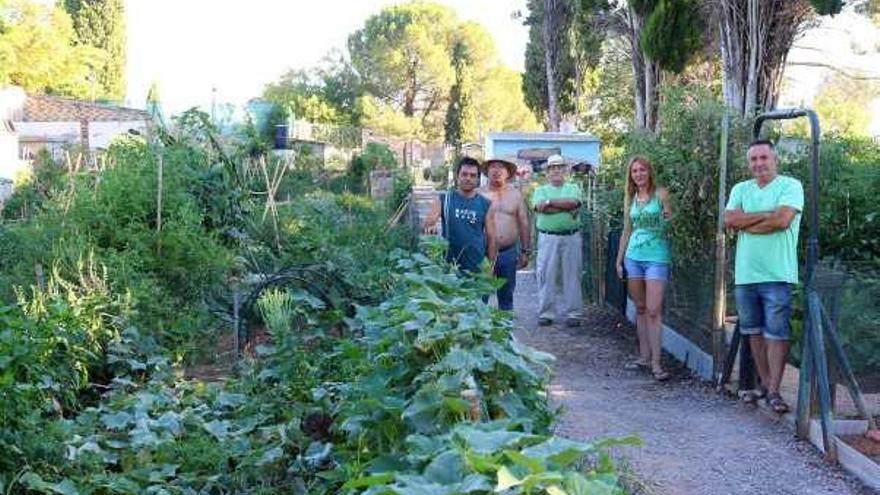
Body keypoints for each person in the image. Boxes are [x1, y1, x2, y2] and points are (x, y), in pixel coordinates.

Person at [724, 139, 804, 414]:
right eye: (753, 159)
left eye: (763, 158)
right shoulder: (740, 189)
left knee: (777, 333)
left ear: (774, 159)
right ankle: (766, 385)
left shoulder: (790, 186)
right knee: (753, 332)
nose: (758, 163)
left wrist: (749, 221)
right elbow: (730, 220)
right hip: (746, 274)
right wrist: (764, 217)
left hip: (777, 273)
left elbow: (782, 220)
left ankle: (774, 391)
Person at [615, 156, 673, 382]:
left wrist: (668, 216)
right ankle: (644, 357)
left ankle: (658, 363)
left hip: (657, 257)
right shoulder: (631, 198)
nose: (638, 174)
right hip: (633, 257)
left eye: (642, 170)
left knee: (653, 309)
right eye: (634, 171)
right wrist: (619, 260)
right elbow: (626, 231)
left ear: (650, 172)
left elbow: (671, 220)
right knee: (640, 307)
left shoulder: (661, 194)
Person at [530, 154, 584, 327]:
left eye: (559, 167)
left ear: (565, 170)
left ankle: (573, 313)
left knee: (573, 274)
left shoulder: (573, 187)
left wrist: (550, 203)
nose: (556, 170)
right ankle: (546, 313)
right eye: (553, 168)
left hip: (571, 236)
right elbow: (540, 208)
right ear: (547, 171)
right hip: (548, 237)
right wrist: (565, 209)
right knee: (546, 274)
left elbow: (574, 202)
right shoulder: (540, 190)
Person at [422, 156, 497, 274]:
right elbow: (428, 223)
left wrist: (490, 265)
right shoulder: (444, 199)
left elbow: (492, 237)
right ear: (458, 176)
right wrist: (430, 227)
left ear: (478, 180)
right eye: (464, 174)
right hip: (449, 267)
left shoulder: (485, 204)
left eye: (473, 176)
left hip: (477, 266)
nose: (468, 178)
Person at [478, 157, 531, 310]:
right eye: (493, 166)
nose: (497, 170)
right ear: (487, 171)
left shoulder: (516, 195)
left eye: (501, 167)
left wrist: (525, 251)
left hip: (508, 252)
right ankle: (478, 333)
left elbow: (524, 223)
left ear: (508, 173)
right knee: (480, 296)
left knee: (506, 297)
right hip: (483, 254)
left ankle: (505, 331)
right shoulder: (478, 194)